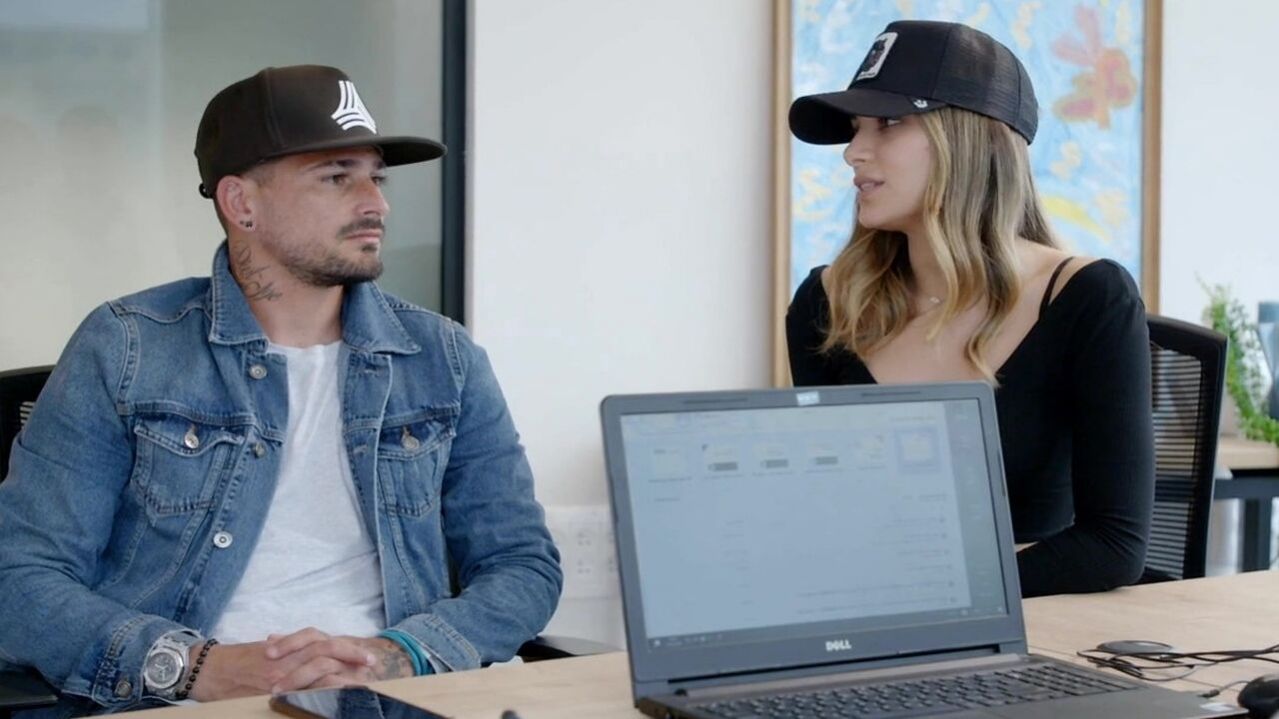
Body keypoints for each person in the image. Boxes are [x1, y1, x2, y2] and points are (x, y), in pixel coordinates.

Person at [0, 65, 562, 715]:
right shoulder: (127, 347)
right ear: (241, 203)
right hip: (186, 706)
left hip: (389, 702)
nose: (375, 204)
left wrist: (404, 652)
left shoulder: (444, 358)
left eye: (376, 177)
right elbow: (19, 579)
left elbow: (522, 565)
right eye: (337, 177)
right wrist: (197, 668)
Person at [785, 21, 1153, 597]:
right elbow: (834, 514)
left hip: (1037, 626)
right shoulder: (827, 303)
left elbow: (1113, 546)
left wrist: (930, 593)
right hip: (870, 614)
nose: (854, 152)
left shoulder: (1086, 297)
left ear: (970, 140)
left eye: (888, 123)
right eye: (856, 129)